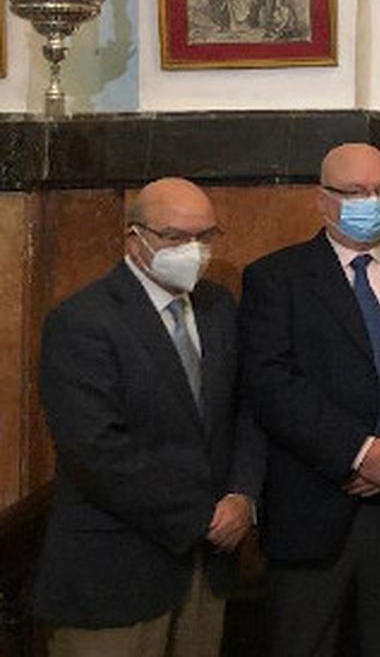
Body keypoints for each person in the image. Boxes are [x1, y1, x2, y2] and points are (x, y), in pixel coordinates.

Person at [238, 143, 380, 657]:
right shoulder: (276, 279)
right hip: (314, 500)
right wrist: (361, 452)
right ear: (322, 201)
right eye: (357, 192)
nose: (373, 201)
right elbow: (272, 385)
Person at [34, 178, 263, 657]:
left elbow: (244, 410)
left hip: (207, 568)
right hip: (114, 570)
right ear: (133, 238)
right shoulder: (83, 321)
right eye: (175, 238)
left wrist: (244, 495)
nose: (193, 251)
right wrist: (201, 516)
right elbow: (94, 449)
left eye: (205, 237)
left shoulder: (219, 307)